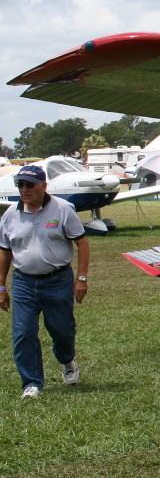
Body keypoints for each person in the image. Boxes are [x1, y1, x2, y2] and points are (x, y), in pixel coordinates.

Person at [0, 165, 89, 399]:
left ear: (43, 186)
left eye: (30, 185)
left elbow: (82, 243)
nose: (24, 189)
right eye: (20, 185)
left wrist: (81, 279)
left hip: (57, 280)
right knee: (23, 333)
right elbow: (5, 251)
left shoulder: (62, 209)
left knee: (62, 331)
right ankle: (31, 383)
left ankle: (66, 359)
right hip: (23, 283)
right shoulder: (10, 214)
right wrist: (1, 286)